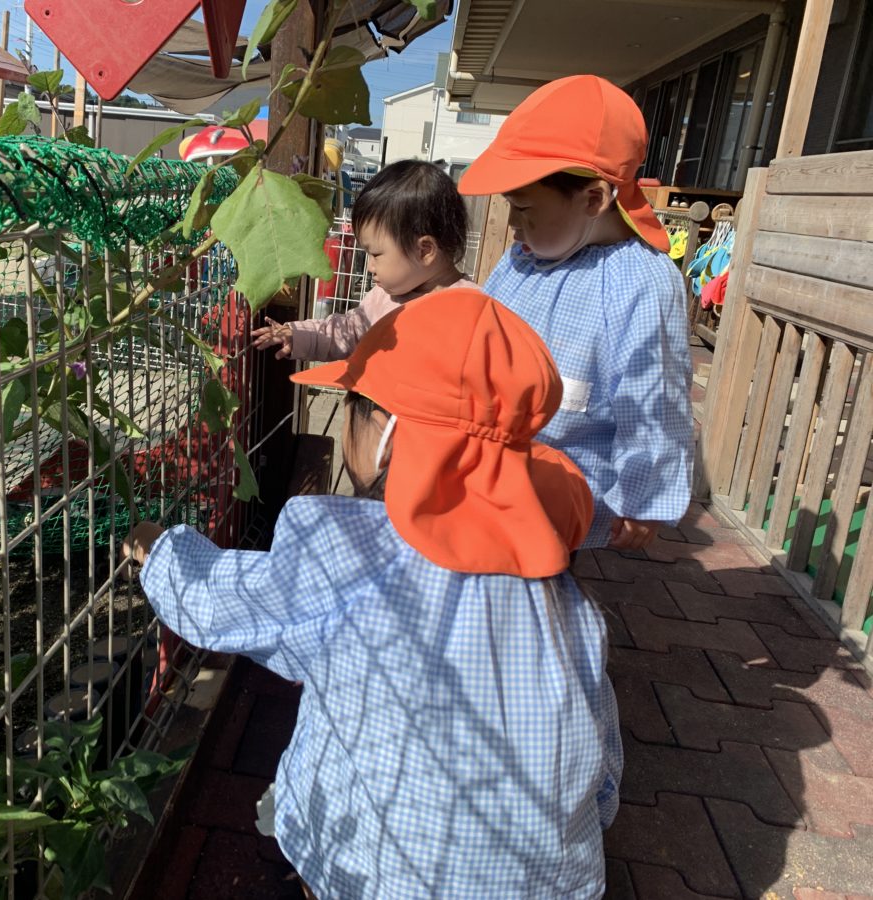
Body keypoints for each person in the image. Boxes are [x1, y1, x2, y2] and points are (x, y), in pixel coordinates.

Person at [125, 287, 623, 899]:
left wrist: (161, 551)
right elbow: (602, 763)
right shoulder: (565, 598)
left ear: (387, 432)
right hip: (551, 881)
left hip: (380, 875)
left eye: (352, 407)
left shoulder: (343, 547)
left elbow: (220, 602)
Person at [458, 74, 694, 552]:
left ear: (593, 199)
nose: (513, 224)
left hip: (562, 487)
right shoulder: (522, 258)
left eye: (524, 208)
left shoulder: (641, 283)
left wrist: (642, 498)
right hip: (489, 467)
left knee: (535, 571)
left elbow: (654, 398)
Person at [251, 159, 476, 362]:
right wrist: (298, 335)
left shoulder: (472, 311)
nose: (369, 267)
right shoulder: (383, 298)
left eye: (376, 254)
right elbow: (346, 330)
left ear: (424, 251)